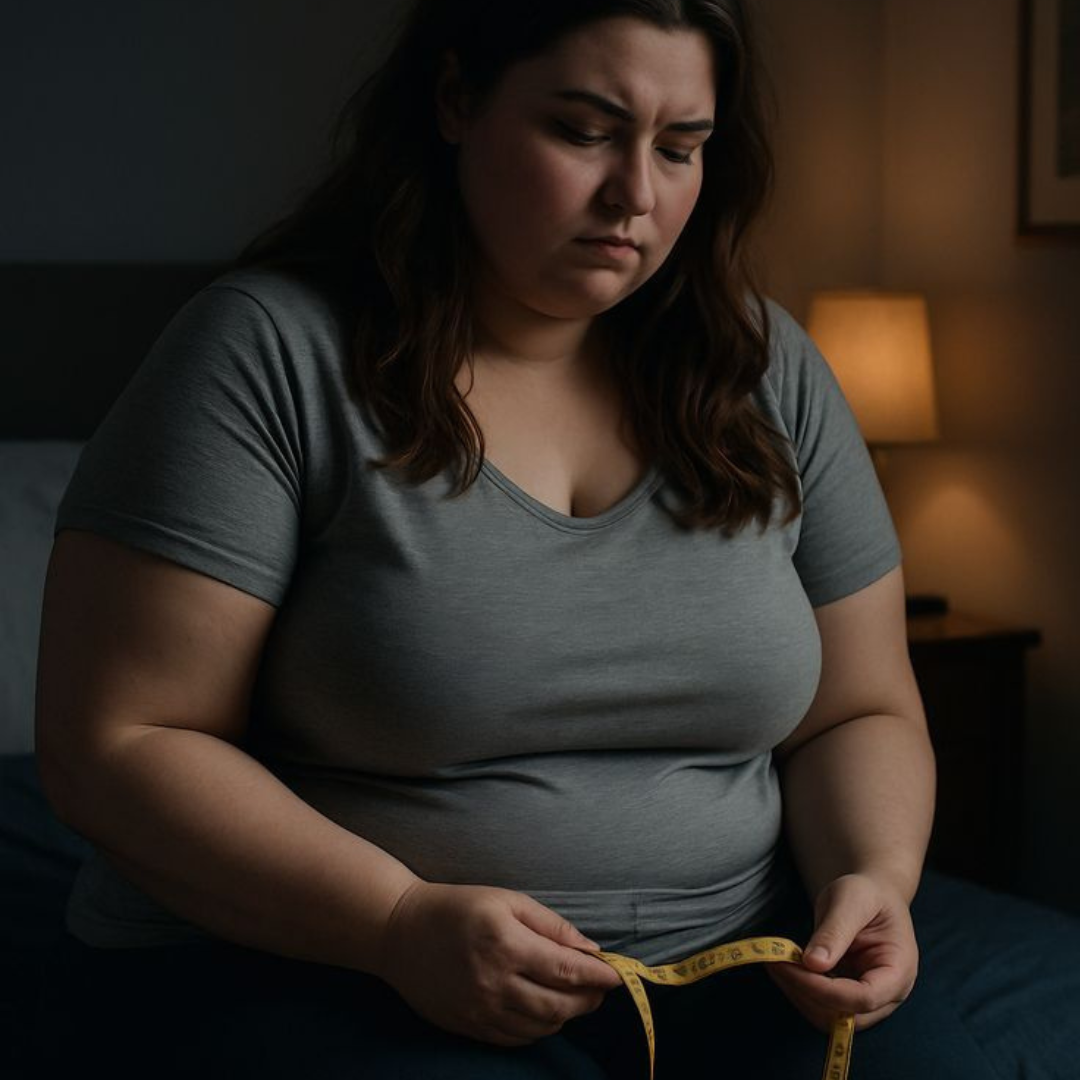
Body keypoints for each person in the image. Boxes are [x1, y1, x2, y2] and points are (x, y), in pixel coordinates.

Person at [30, 1, 1080, 1078]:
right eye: (583, 132)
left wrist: (873, 874)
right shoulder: (267, 354)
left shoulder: (768, 368)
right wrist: (395, 922)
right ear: (454, 102)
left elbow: (860, 706)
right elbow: (118, 741)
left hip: (732, 967)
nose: (636, 193)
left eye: (681, 148)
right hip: (327, 962)